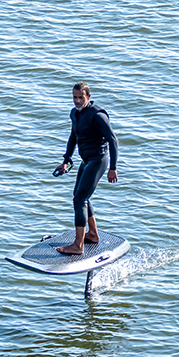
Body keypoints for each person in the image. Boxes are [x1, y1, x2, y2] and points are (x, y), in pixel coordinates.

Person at [54, 81, 118, 254]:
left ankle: (78, 245)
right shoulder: (75, 113)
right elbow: (73, 137)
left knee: (79, 199)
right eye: (74, 97)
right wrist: (66, 160)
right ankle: (93, 234)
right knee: (80, 196)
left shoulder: (97, 115)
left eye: (80, 98)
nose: (77, 101)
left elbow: (113, 140)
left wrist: (113, 168)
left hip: (98, 160)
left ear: (88, 97)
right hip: (86, 160)